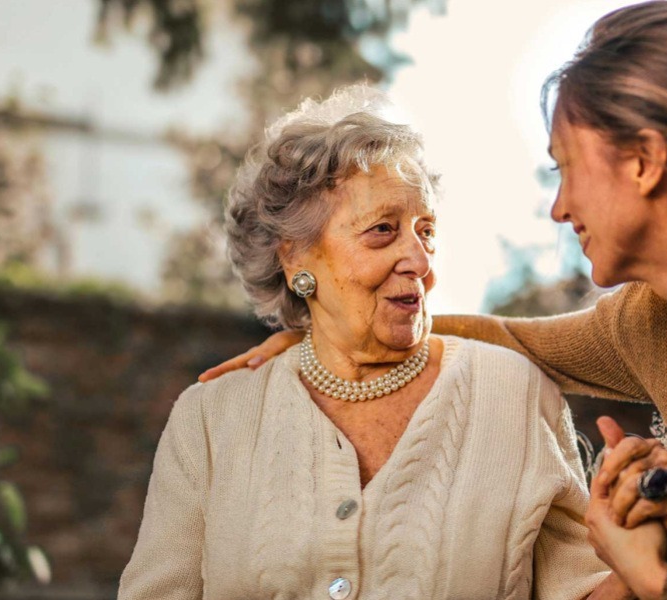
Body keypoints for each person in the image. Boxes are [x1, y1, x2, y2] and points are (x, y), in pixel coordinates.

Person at [198, 3, 667, 598]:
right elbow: (511, 339)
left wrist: (660, 582)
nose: (559, 208)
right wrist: (331, 335)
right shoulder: (657, 321)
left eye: (566, 168)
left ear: (645, 162)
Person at [118, 86, 637, 599]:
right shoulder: (211, 420)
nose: (420, 260)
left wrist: (639, 565)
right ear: (296, 258)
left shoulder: (515, 395)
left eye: (426, 230)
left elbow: (580, 589)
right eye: (383, 230)